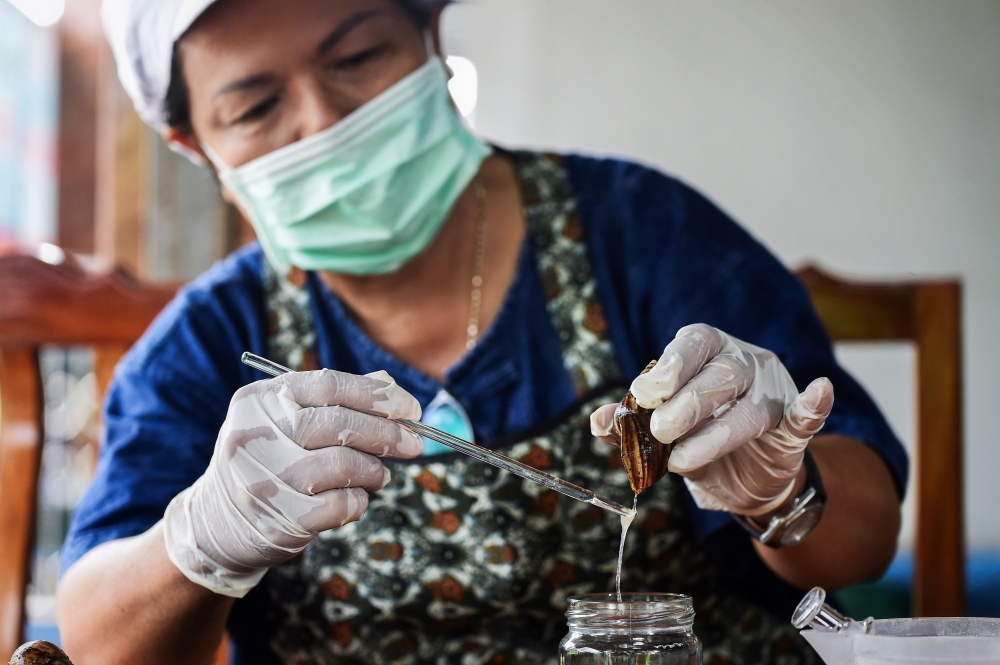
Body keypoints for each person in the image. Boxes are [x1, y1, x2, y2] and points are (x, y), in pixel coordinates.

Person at [56, 0, 906, 663]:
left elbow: (863, 545)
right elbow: (101, 643)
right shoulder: (208, 342)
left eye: (357, 58)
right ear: (195, 147)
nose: (324, 121)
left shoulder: (640, 234)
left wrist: (782, 490)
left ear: (430, 37)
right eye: (255, 106)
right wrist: (202, 540)